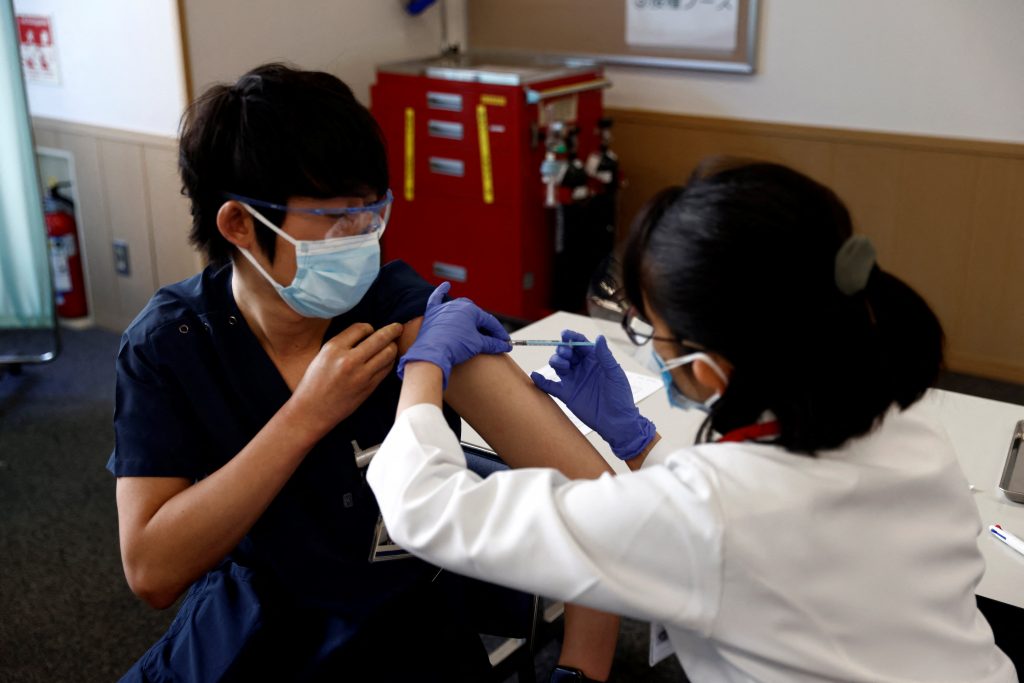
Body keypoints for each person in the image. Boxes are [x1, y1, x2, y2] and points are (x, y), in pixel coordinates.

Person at [368, 158, 1018, 682]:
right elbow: (755, 521)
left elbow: (427, 510)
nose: (648, 342)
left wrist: (426, 364)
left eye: (653, 331)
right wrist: (638, 439)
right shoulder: (908, 430)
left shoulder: (711, 512)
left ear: (710, 369)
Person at [108, 62, 621, 681]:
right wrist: (306, 417)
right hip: (255, 628)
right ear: (240, 224)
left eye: (370, 209)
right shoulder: (172, 344)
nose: (361, 238)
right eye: (333, 216)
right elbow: (152, 571)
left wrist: (581, 673)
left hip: (407, 629)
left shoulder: (408, 320)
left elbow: (599, 505)